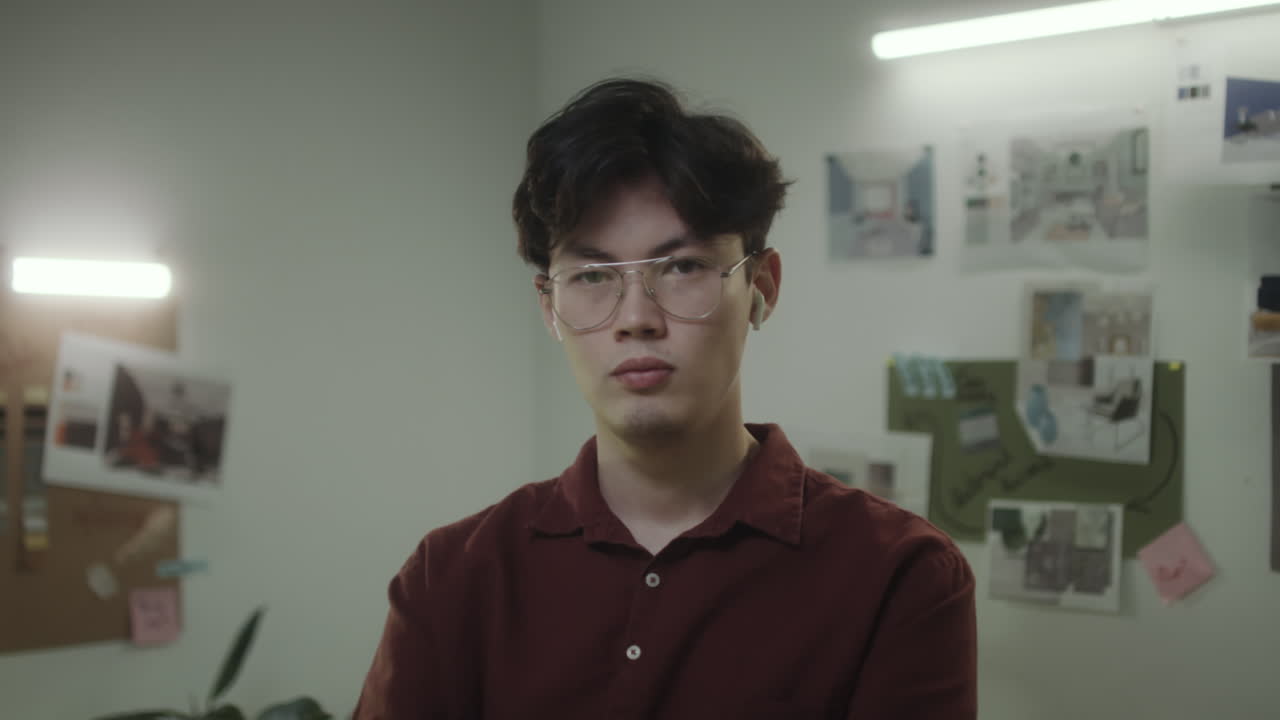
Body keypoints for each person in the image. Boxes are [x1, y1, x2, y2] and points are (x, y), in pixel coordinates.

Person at [354, 77, 976, 719]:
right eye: (592, 276)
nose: (636, 319)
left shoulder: (898, 574)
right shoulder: (452, 576)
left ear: (762, 287)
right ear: (549, 308)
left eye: (682, 268)